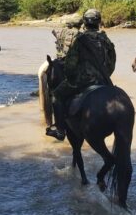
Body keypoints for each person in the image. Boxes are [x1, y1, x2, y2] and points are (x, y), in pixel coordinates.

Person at [46, 8, 116, 141]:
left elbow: (70, 65)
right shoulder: (106, 39)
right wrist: (105, 75)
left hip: (83, 80)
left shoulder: (79, 39)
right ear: (99, 22)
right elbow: (112, 63)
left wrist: (71, 78)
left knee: (56, 96)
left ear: (85, 22)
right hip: (102, 80)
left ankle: (60, 131)